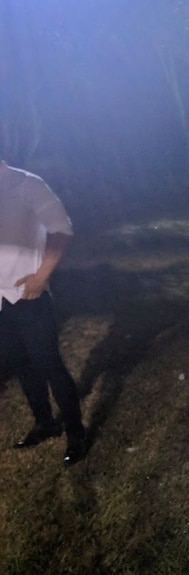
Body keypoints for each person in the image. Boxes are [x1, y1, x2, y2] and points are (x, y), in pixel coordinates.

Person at [0, 159, 87, 465]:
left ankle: (76, 433)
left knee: (49, 364)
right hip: (0, 300)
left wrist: (42, 274)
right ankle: (45, 422)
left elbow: (61, 229)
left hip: (29, 293)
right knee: (21, 364)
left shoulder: (28, 185)